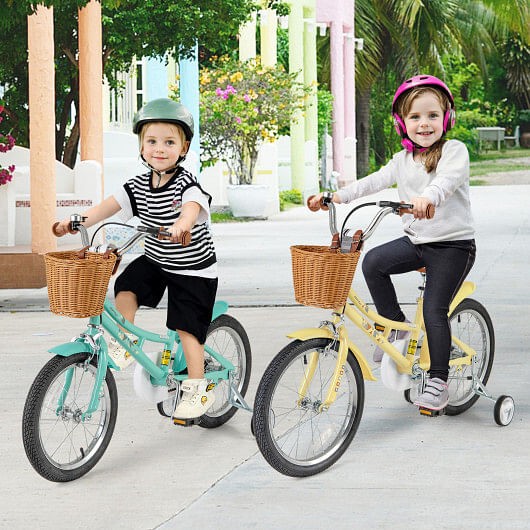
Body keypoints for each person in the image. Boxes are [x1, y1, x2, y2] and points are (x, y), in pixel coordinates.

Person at [309, 75, 476, 412]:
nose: (424, 123)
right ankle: (395, 328)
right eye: (415, 117)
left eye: (432, 115)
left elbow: (446, 181)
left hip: (453, 246)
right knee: (373, 262)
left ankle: (439, 381)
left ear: (446, 118)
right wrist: (336, 196)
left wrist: (428, 197)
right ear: (402, 123)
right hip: (418, 241)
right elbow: (374, 182)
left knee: (433, 310)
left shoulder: (454, 151)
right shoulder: (402, 159)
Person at [54, 98, 218, 422]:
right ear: (142, 146)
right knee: (126, 285)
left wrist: (181, 225)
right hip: (157, 260)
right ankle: (127, 336)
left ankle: (197, 388)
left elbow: (191, 208)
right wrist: (75, 221)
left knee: (187, 326)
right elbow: (107, 207)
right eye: (152, 141)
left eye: (169, 142)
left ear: (183, 148)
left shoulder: (187, 184)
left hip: (193, 269)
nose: (160, 149)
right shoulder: (138, 185)